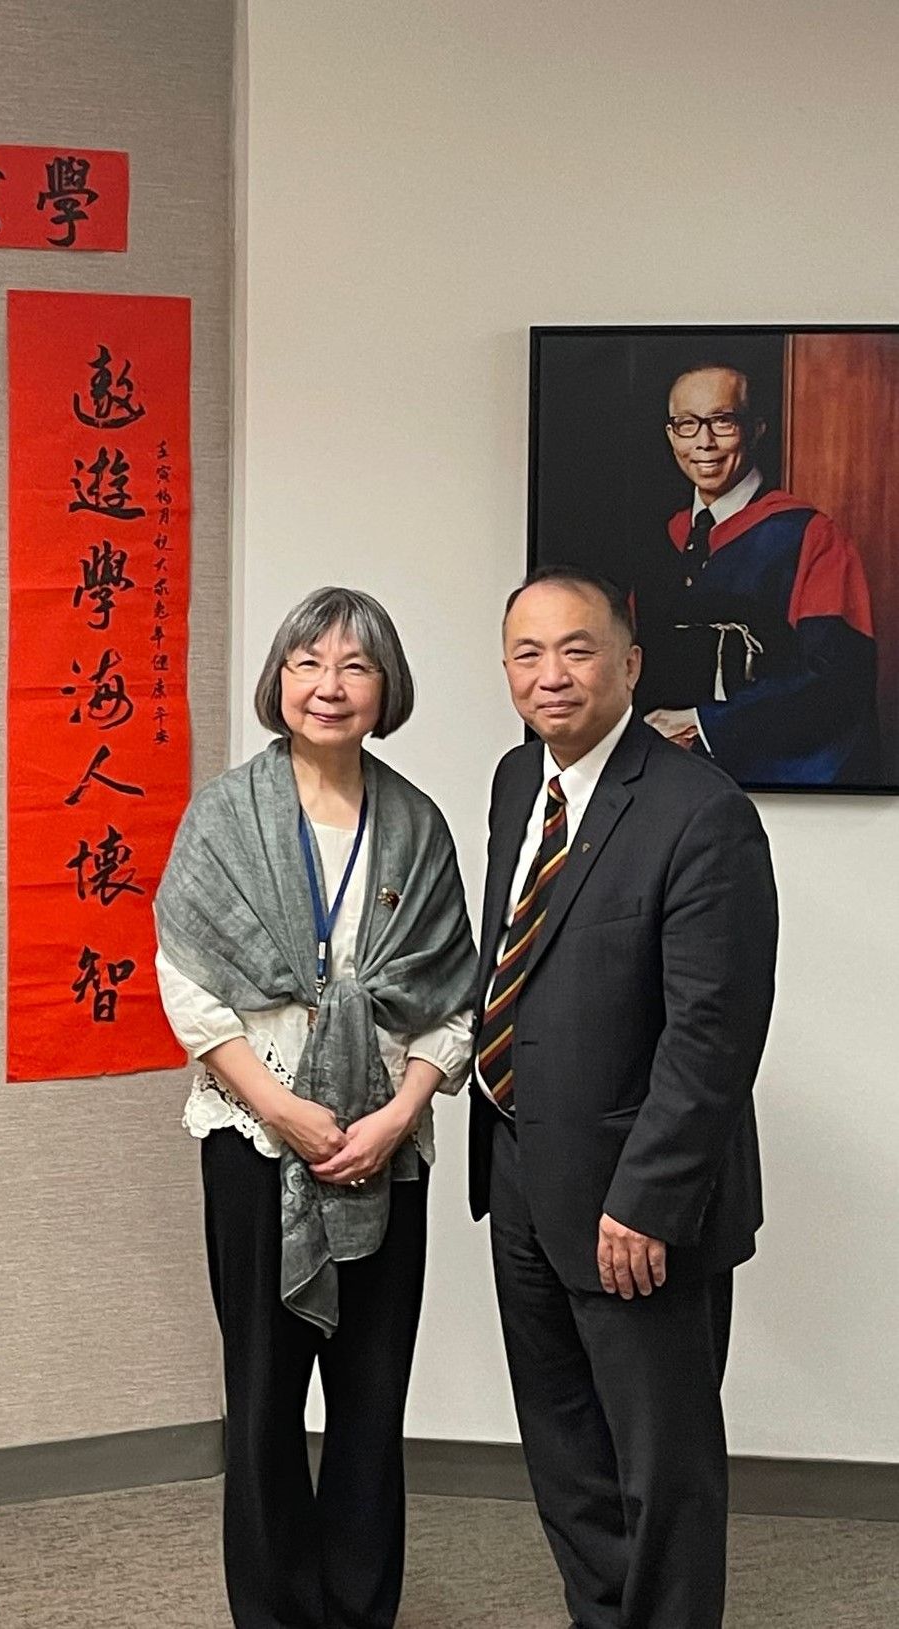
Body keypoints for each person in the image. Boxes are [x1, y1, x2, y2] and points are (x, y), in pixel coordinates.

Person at [155, 586, 477, 1629]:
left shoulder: (416, 826)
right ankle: (276, 1610)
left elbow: (453, 999)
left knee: (372, 1395)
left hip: (387, 1145)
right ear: (279, 680)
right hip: (255, 1139)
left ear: (386, 689)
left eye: (355, 665)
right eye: (308, 662)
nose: (329, 686)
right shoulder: (225, 816)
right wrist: (281, 1109)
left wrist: (397, 1117)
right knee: (262, 1395)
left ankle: (360, 1606)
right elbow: (186, 979)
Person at [470, 564, 778, 1629]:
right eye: (527, 653)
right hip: (519, 1168)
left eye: (578, 649)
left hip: (635, 1200)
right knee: (565, 1448)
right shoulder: (518, 780)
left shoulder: (704, 811)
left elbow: (713, 1035)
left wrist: (647, 1199)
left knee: (662, 1469)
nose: (551, 675)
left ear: (632, 664)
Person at [636, 360, 877, 784]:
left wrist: (704, 724)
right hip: (669, 780)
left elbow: (838, 681)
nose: (704, 442)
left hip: (778, 777)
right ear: (671, 434)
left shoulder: (810, 535)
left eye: (723, 421)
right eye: (687, 424)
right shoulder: (661, 540)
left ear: (756, 429)